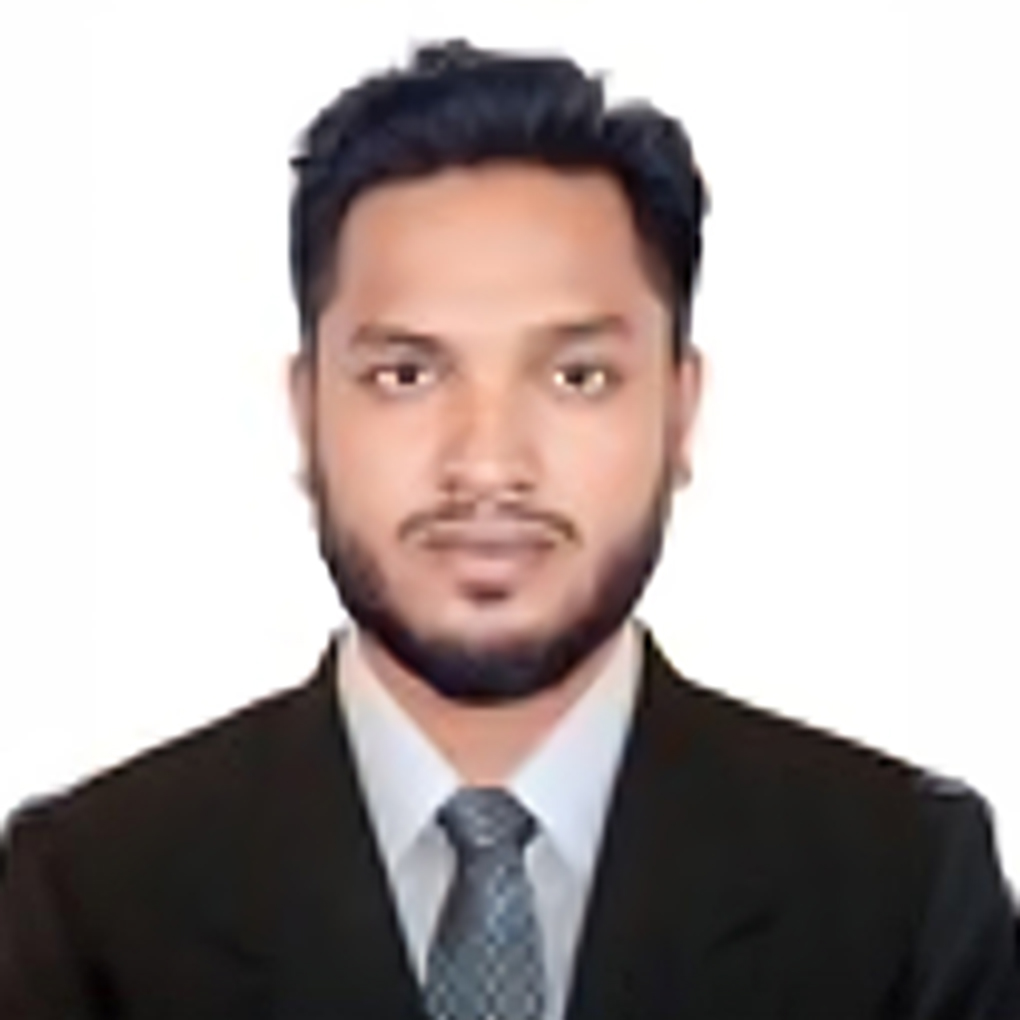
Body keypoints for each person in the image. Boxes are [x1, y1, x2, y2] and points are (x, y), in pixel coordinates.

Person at [1, 37, 1017, 1020]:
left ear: (679, 412)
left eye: (577, 377)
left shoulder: (904, 889)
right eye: (407, 374)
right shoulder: (87, 898)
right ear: (308, 415)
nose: (487, 464)